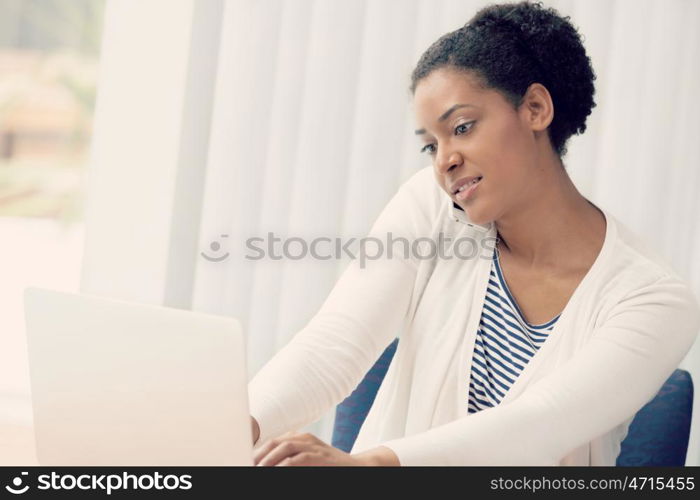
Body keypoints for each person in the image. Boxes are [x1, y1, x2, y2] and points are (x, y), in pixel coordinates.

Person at [248, 1, 700, 466]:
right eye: (431, 144)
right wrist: (234, 424)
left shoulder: (655, 299)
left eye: (462, 127)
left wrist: (370, 466)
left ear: (536, 108)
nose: (444, 160)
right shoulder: (432, 205)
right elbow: (332, 347)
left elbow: (540, 425)